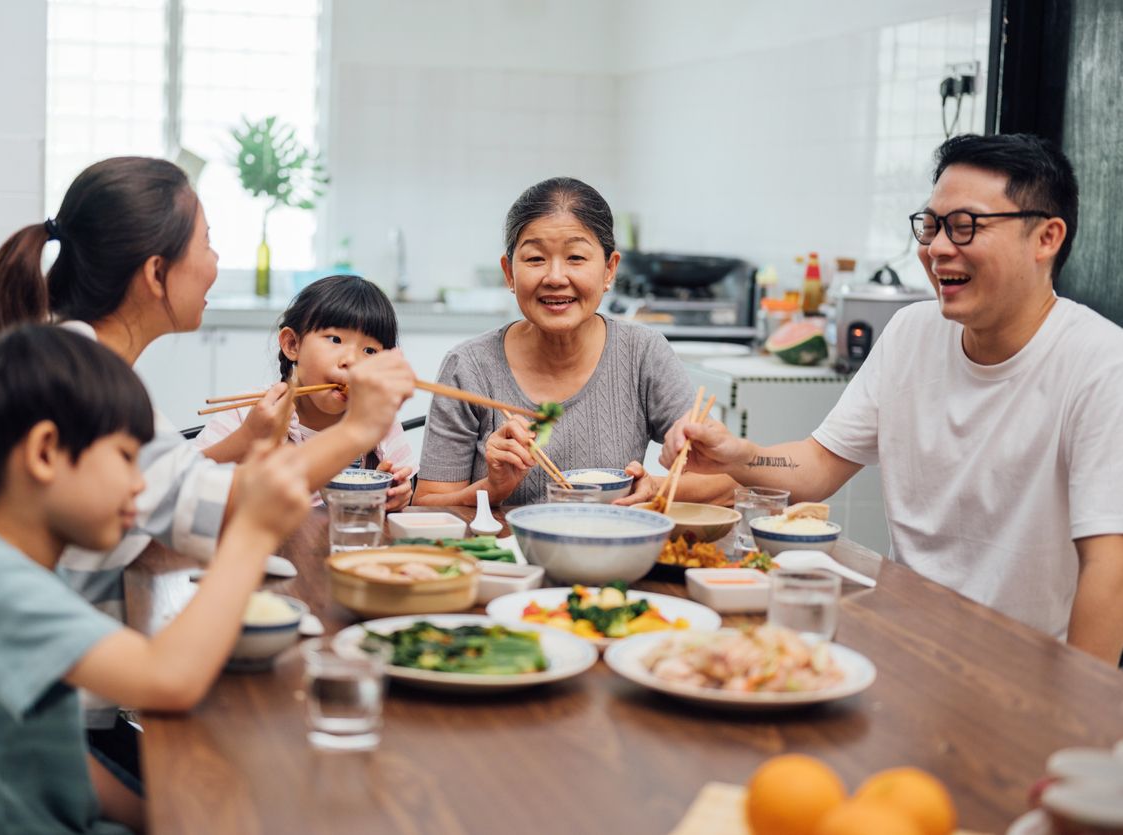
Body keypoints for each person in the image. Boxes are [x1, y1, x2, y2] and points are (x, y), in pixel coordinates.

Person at [0, 157, 415, 787]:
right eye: (209, 244)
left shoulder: (76, 359)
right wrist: (358, 429)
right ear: (157, 274)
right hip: (23, 736)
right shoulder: (78, 384)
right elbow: (225, 507)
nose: (217, 263)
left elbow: (186, 488)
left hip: (42, 723)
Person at [661, 134, 1123, 663]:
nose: (938, 248)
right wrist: (739, 455)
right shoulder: (911, 331)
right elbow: (817, 464)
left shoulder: (1102, 365)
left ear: (1047, 237)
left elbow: (1109, 573)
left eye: (965, 226)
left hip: (1020, 669)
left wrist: (1080, 723)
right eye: (931, 226)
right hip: (904, 638)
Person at [0, 325, 313, 833]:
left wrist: (157, 817)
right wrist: (252, 532)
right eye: (127, 457)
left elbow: (60, 755)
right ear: (44, 453)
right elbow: (168, 679)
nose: (140, 483)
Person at [413, 176, 735, 507]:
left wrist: (653, 486)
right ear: (509, 273)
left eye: (576, 258)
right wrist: (493, 487)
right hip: (502, 557)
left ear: (609, 269)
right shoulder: (468, 367)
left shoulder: (642, 353)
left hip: (613, 554)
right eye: (535, 259)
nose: (555, 277)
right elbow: (426, 504)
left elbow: (725, 482)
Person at [195, 275, 416, 510]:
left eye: (370, 350)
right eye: (335, 339)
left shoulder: (380, 421)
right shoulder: (252, 412)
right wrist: (247, 438)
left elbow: (405, 489)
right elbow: (182, 484)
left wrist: (393, 494)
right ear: (292, 344)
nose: (351, 360)